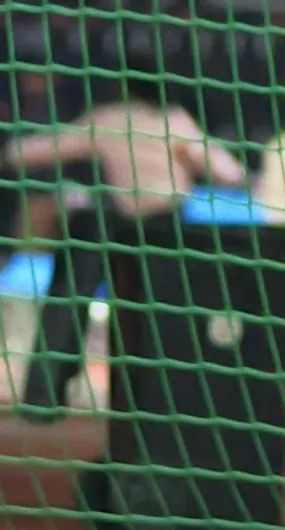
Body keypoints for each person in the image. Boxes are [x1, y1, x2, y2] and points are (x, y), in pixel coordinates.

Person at [3, 73, 246, 417]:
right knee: (166, 311)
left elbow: (32, 151)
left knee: (71, 293)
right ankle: (166, 399)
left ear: (124, 88)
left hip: (134, 226)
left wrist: (10, 150)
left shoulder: (113, 118)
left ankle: (43, 396)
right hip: (160, 229)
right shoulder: (175, 121)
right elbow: (229, 173)